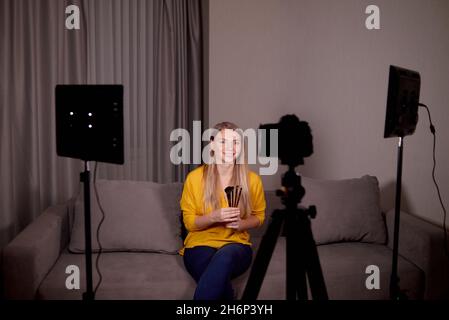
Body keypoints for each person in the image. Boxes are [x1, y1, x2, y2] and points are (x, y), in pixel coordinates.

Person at [179, 122, 266, 300]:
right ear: (212, 145)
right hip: (199, 245)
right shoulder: (194, 178)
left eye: (235, 142)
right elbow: (189, 223)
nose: (230, 148)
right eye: (223, 142)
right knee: (217, 279)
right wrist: (213, 217)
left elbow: (259, 217)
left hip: (236, 245)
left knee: (225, 256)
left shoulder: (252, 180)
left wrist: (242, 224)